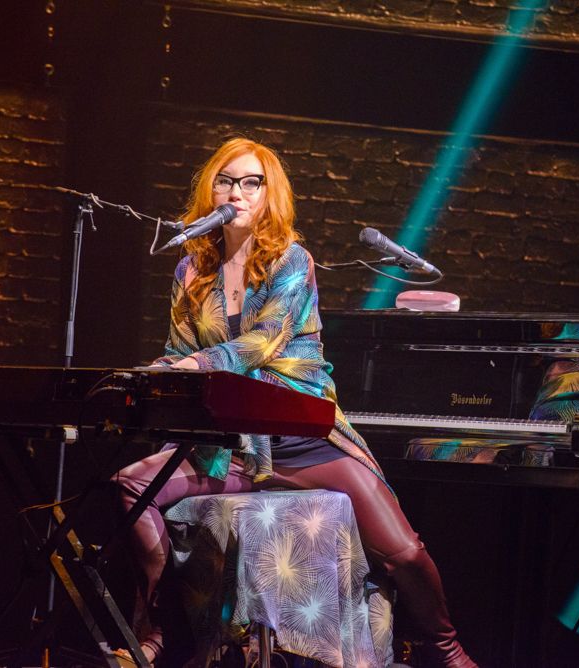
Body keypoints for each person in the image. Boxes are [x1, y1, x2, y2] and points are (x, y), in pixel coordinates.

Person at [113, 137, 477, 667]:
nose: (236, 192)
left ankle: (446, 648)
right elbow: (180, 350)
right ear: (209, 190)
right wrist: (166, 371)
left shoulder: (291, 260)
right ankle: (155, 631)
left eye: (250, 182)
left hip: (302, 437)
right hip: (233, 443)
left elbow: (264, 341)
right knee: (130, 485)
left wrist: (196, 365)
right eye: (225, 180)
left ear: (268, 194)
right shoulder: (189, 271)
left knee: (404, 552)